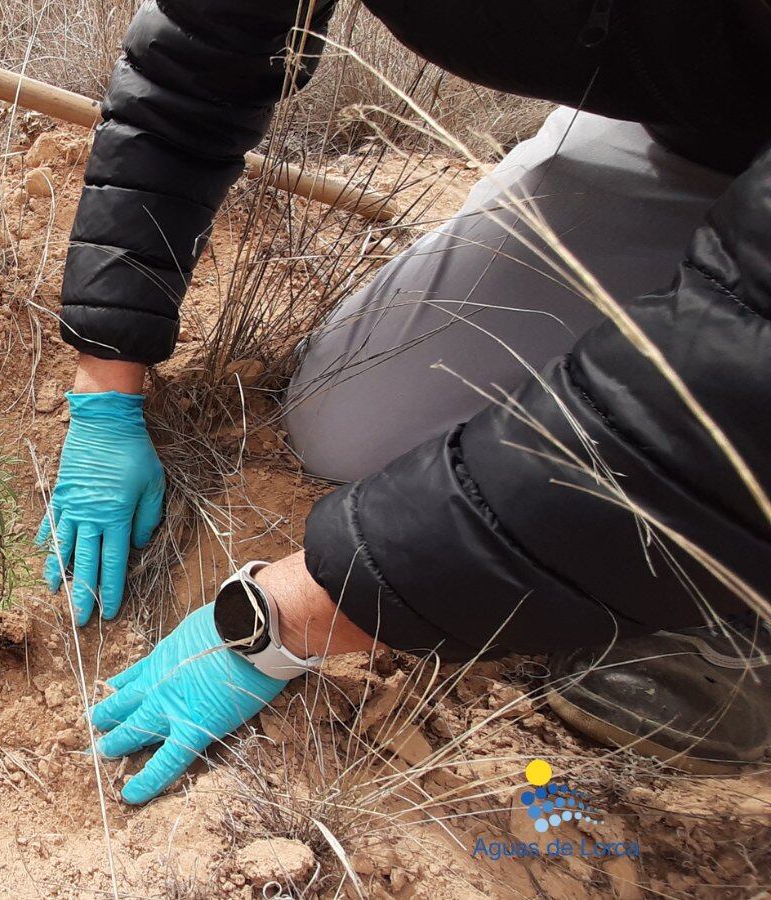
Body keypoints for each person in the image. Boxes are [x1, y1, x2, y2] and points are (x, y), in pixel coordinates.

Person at [41, 0, 771, 804]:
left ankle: (732, 613)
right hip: (677, 126)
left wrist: (282, 618)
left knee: (710, 484)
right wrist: (106, 386)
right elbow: (184, 74)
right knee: (343, 427)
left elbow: (731, 384)